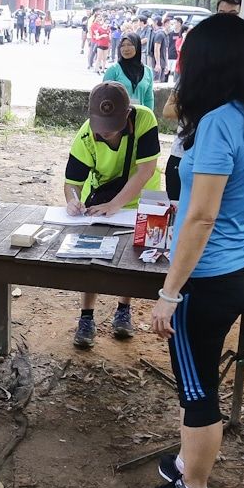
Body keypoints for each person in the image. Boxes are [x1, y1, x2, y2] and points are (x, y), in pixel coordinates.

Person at [135, 13, 244, 488]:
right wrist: (243, 242)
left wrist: (169, 293)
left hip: (203, 283)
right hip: (239, 272)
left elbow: (201, 216)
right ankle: (187, 460)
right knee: (202, 374)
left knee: (197, 388)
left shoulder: (218, 123)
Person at [64, 82, 161, 349]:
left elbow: (146, 171)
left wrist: (116, 204)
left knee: (131, 256)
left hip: (139, 197)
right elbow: (71, 182)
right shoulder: (85, 136)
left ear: (127, 113)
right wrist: (73, 201)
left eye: (112, 124)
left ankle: (123, 309)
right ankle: (87, 316)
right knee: (90, 256)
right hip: (102, 200)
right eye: (100, 125)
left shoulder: (145, 120)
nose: (105, 131)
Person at [103, 33, 154, 111]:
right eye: (122, 45)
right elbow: (104, 96)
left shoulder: (148, 71)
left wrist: (149, 118)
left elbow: (149, 99)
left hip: (140, 117)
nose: (126, 49)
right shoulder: (113, 70)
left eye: (130, 44)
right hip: (117, 117)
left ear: (137, 46)